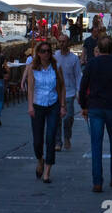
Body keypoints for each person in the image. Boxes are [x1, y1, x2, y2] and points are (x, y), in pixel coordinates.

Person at [80, 35, 112, 192]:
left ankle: (97, 181)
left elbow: (83, 86)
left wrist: (83, 105)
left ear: (99, 48)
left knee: (96, 145)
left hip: (95, 107)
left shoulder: (92, 63)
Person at [27, 40, 65, 183]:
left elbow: (62, 86)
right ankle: (40, 159)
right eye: (43, 51)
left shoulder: (56, 66)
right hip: (37, 104)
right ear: (38, 53)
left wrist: (62, 105)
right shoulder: (33, 68)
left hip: (53, 104)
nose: (46, 54)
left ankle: (47, 171)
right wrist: (30, 106)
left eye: (48, 51)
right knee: (37, 140)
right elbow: (30, 88)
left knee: (50, 138)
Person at [55, 37, 82, 150]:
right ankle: (58, 142)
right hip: (56, 92)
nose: (61, 43)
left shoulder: (74, 58)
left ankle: (67, 137)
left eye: (64, 41)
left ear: (68, 43)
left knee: (68, 117)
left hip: (69, 92)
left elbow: (77, 75)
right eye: (60, 41)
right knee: (56, 118)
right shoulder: (55, 56)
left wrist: (78, 91)